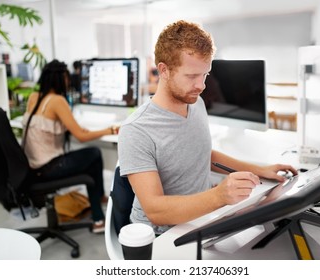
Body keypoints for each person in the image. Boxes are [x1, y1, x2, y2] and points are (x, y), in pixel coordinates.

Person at [117, 20, 298, 236]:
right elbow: (156, 211)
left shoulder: (196, 103)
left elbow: (204, 155)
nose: (201, 85)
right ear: (164, 70)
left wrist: (260, 170)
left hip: (199, 219)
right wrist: (219, 196)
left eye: (205, 74)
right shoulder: (136, 130)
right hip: (160, 235)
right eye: (192, 76)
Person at [22, 59, 119, 233]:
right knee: (94, 154)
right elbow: (81, 137)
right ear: (60, 79)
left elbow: (61, 126)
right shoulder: (57, 101)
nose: (69, 82)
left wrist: (82, 128)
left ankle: (98, 214)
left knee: (90, 161)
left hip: (33, 167)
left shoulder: (34, 97)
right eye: (67, 79)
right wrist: (110, 129)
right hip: (48, 167)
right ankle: (99, 209)